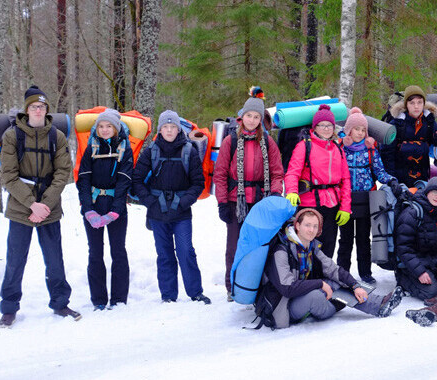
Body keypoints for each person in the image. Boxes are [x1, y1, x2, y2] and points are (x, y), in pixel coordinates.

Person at [0, 85, 79, 327]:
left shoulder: (57, 136)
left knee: (54, 259)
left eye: (42, 106)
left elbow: (63, 172)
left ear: (46, 110)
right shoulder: (12, 136)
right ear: (27, 110)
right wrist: (32, 205)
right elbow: (8, 176)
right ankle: (9, 308)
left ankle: (60, 303)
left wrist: (44, 204)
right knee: (15, 259)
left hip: (49, 206)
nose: (38, 110)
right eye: (34, 106)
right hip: (21, 206)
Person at [256, 209, 403, 329]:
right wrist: (320, 284)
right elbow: (287, 288)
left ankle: (379, 304)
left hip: (301, 294)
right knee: (317, 296)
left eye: (315, 226)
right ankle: (337, 304)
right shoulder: (281, 251)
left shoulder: (311, 247)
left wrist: (355, 285)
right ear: (297, 226)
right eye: (307, 225)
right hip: (283, 306)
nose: (311, 230)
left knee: (337, 282)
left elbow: (334, 270)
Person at [132, 110, 211, 304]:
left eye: (173, 127)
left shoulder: (189, 151)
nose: (169, 131)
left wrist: (183, 202)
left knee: (186, 251)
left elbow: (198, 183)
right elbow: (137, 181)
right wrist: (150, 201)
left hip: (182, 213)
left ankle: (195, 292)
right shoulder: (151, 151)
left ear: (178, 129)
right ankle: (168, 295)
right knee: (164, 253)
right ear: (160, 130)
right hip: (157, 212)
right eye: (165, 127)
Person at [213, 95, 284, 301]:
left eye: (256, 116)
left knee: (261, 245)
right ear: (241, 117)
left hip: (261, 201)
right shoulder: (230, 141)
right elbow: (220, 174)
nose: (252, 120)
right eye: (249, 115)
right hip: (237, 201)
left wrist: (276, 193)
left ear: (261, 119)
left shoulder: (268, 142)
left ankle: (259, 285)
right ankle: (232, 286)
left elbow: (277, 172)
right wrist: (223, 202)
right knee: (234, 246)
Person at [76, 108, 133, 310]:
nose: (105, 129)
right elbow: (83, 179)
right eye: (101, 126)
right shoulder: (91, 147)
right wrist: (88, 210)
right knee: (95, 252)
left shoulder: (124, 148)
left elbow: (125, 180)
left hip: (115, 205)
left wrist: (115, 210)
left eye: (109, 126)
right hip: (94, 203)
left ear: (116, 128)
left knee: (118, 251)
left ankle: (118, 299)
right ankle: (98, 300)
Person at [337, 107, 398, 284]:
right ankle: (342, 272)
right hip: (345, 201)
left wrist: (391, 180)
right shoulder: (340, 149)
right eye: (357, 129)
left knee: (363, 238)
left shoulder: (371, 150)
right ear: (349, 130)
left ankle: (365, 272)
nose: (360, 133)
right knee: (345, 239)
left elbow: (380, 172)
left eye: (363, 130)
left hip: (366, 200)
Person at [285, 104, 352, 259]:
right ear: (315, 127)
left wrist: (345, 207)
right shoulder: (304, 146)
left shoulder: (337, 148)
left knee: (328, 247)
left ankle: (325, 280)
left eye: (329, 125)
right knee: (306, 246)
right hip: (309, 203)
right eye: (322, 125)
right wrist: (292, 191)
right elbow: (292, 172)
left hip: (332, 205)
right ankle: (306, 281)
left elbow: (345, 180)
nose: (327, 129)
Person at [395, 177, 437, 301]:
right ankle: (403, 280)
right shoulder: (411, 214)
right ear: (427, 192)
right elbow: (403, 248)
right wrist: (420, 272)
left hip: (433, 261)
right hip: (413, 264)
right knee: (431, 293)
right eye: (434, 192)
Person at [380, 85, 437, 186]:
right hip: (399, 180)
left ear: (424, 103)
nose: (416, 106)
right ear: (406, 105)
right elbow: (387, 153)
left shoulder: (429, 122)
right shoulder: (397, 124)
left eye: (419, 102)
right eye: (412, 103)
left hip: (422, 177)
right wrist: (391, 180)